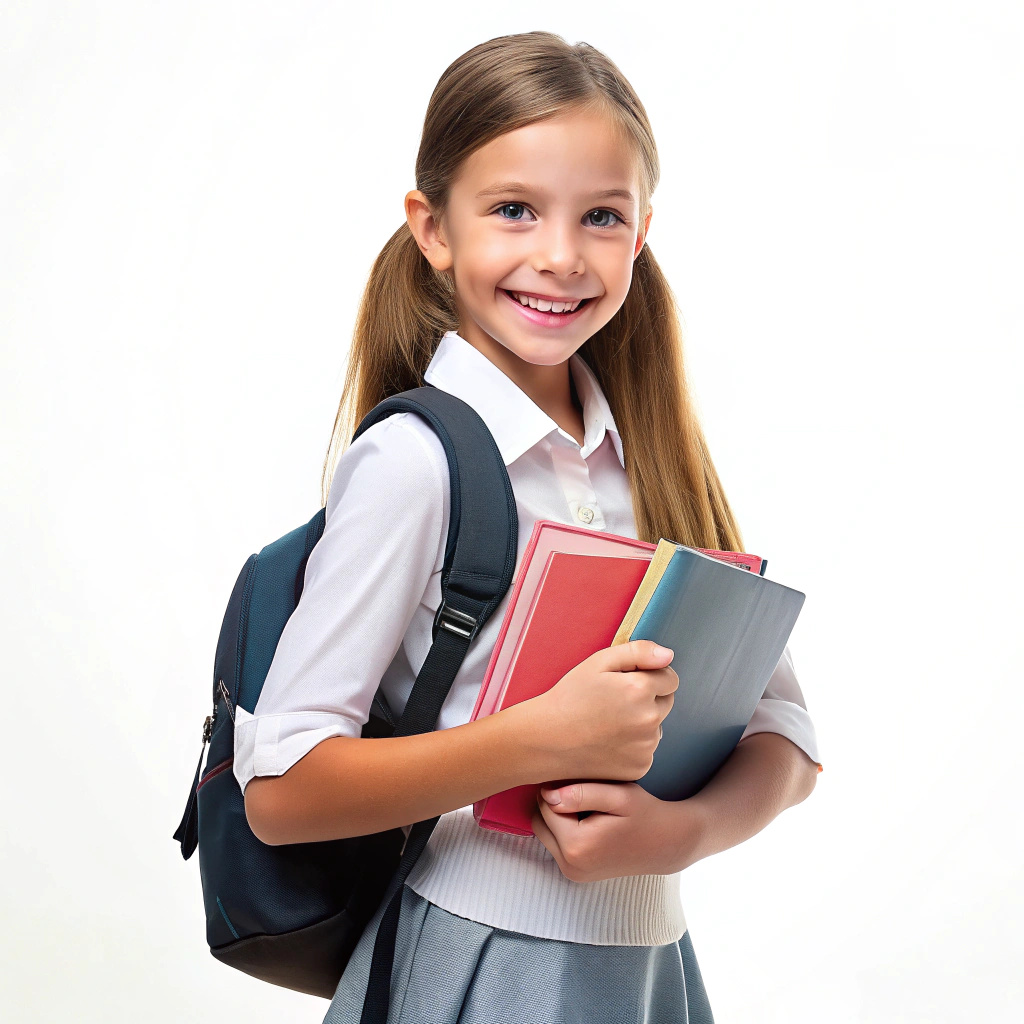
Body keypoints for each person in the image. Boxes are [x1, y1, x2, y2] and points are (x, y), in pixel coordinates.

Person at [234, 30, 823, 1024]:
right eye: (513, 209)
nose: (558, 255)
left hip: (648, 966)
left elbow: (788, 735)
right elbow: (283, 787)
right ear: (432, 227)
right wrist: (534, 739)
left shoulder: (652, 456)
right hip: (483, 959)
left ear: (639, 235)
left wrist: (677, 835)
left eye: (600, 216)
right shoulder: (414, 466)